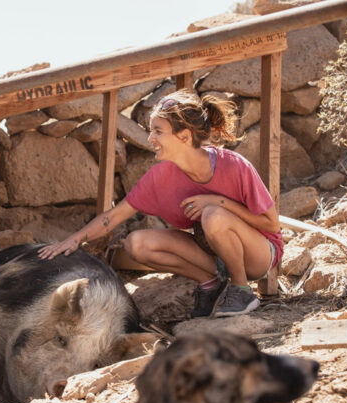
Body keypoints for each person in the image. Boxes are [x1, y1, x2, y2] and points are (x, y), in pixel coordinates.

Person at [39, 89, 282, 319]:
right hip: (215, 255)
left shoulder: (233, 165)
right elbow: (113, 217)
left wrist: (219, 201)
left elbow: (271, 224)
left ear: (184, 137)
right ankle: (210, 283)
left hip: (258, 255)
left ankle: (241, 290)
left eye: (158, 131)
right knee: (137, 243)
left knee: (213, 215)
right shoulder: (160, 178)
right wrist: (75, 239)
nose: (150, 138)